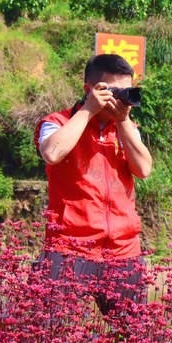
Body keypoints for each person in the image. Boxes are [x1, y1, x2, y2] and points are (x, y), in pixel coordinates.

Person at [33, 53, 153, 316]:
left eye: (126, 91)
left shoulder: (127, 127)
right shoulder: (57, 122)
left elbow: (144, 169)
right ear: (89, 89)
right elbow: (52, 153)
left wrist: (122, 122)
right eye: (112, 91)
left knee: (134, 339)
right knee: (49, 334)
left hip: (123, 250)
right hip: (69, 247)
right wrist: (89, 109)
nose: (119, 99)